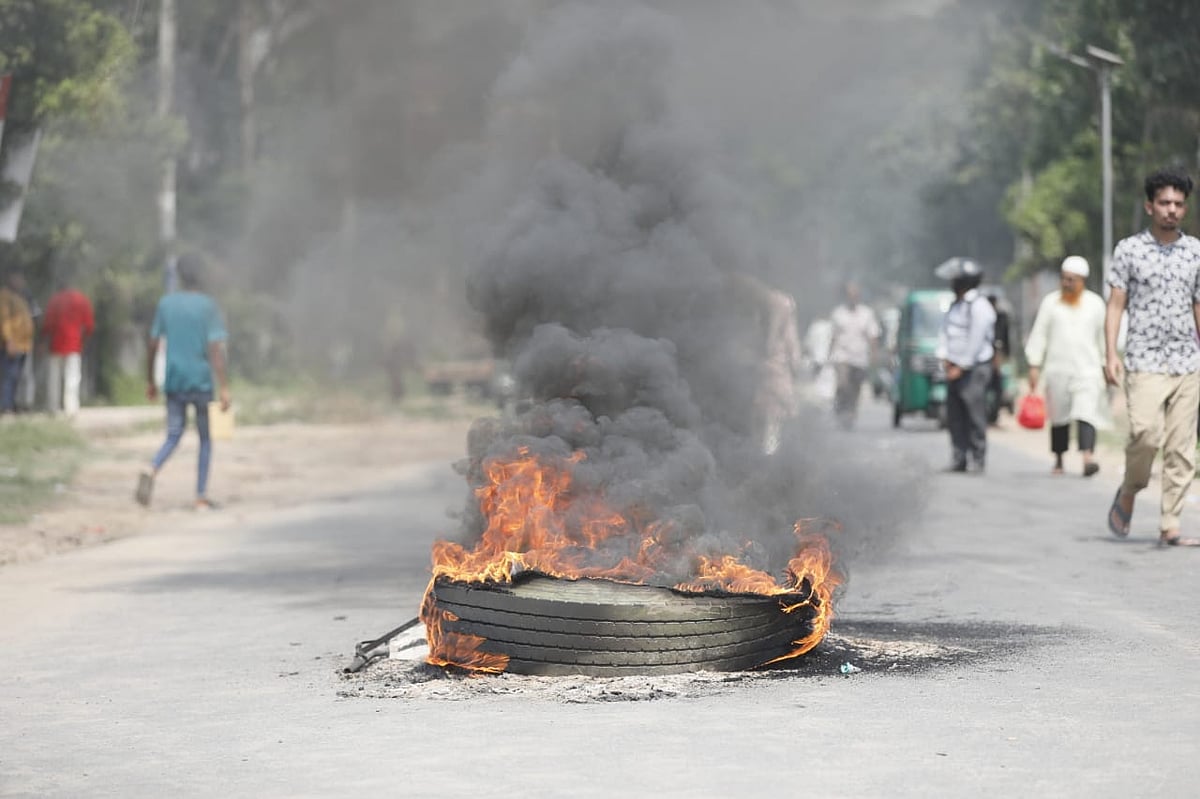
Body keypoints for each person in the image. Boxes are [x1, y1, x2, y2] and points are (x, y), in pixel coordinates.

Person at [1105, 167, 1200, 547]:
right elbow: (1115, 306)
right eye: (1164, 202)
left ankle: (1170, 523)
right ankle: (1131, 487)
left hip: (1187, 362)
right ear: (1149, 206)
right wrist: (1110, 353)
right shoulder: (1129, 250)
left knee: (1181, 446)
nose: (1172, 210)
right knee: (1145, 435)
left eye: (1178, 204)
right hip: (1144, 359)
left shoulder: (1196, 252)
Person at [135, 254, 231, 510]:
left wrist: (150, 381)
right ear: (201, 276)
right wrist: (224, 386)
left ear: (179, 276)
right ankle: (200, 496)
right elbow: (214, 349)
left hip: (174, 380)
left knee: (174, 434)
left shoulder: (166, 304)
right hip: (200, 381)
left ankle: (153, 467)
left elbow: (153, 344)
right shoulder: (208, 306)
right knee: (205, 438)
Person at [1024, 256, 1110, 476]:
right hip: (1057, 370)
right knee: (1059, 417)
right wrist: (1034, 364)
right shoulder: (1051, 303)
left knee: (1086, 413)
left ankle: (1088, 457)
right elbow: (1039, 334)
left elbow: (1103, 338)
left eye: (1072, 279)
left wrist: (1107, 364)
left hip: (1087, 370)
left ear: (1082, 280)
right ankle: (1059, 459)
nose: (1067, 283)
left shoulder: (1095, 304)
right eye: (1064, 279)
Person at [935, 257, 995, 473]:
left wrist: (961, 366)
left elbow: (976, 340)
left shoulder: (980, 306)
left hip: (974, 369)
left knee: (974, 414)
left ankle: (978, 458)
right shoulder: (955, 305)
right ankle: (958, 457)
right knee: (955, 415)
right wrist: (944, 357)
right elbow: (946, 333)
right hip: (954, 369)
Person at [827, 281, 880, 429]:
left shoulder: (867, 314)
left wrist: (874, 355)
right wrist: (829, 355)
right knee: (843, 385)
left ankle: (850, 413)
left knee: (856, 388)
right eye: (850, 295)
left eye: (855, 295)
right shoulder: (838, 314)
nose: (853, 298)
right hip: (842, 356)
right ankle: (841, 408)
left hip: (859, 358)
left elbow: (872, 336)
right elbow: (833, 336)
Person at [42, 277, 95, 417]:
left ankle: (52, 408)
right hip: (74, 344)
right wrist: (83, 341)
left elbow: (47, 325)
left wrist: (44, 341)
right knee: (72, 378)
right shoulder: (81, 299)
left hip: (56, 345)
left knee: (54, 378)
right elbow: (89, 326)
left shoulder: (54, 300)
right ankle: (71, 409)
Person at [0, 268, 34, 415]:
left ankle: (13, 405)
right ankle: (5, 407)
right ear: (11, 278)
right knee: (9, 376)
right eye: (18, 278)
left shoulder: (20, 297)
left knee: (17, 377)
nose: (21, 281)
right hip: (12, 344)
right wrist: (8, 341)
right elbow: (4, 321)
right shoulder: (5, 296)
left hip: (23, 344)